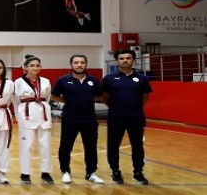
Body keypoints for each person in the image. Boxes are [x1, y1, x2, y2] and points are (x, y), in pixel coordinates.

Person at [51, 54, 105, 184]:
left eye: (82, 62)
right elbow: (54, 96)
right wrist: (69, 100)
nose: (79, 65)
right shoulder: (63, 80)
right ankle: (65, 171)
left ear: (86, 64)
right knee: (65, 147)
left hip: (89, 119)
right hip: (70, 119)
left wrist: (86, 100)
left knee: (91, 147)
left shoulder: (94, 80)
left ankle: (91, 173)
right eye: (76, 62)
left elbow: (99, 96)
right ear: (71, 64)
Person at [102, 49, 153, 185]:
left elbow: (145, 97)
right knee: (113, 145)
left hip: (136, 117)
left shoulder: (142, 78)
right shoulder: (109, 78)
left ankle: (138, 172)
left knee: (137, 146)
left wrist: (134, 107)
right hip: (115, 117)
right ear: (117, 61)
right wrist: (115, 108)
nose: (125, 60)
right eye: (122, 58)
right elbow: (104, 97)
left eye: (128, 58)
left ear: (133, 61)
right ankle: (115, 171)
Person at [14, 55, 54, 184]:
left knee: (45, 145)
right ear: (25, 67)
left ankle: (46, 172)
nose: (35, 68)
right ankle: (25, 173)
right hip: (26, 115)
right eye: (31, 66)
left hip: (43, 114)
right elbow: (16, 101)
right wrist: (19, 116)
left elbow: (47, 97)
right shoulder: (18, 82)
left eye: (37, 66)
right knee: (26, 145)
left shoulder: (46, 81)